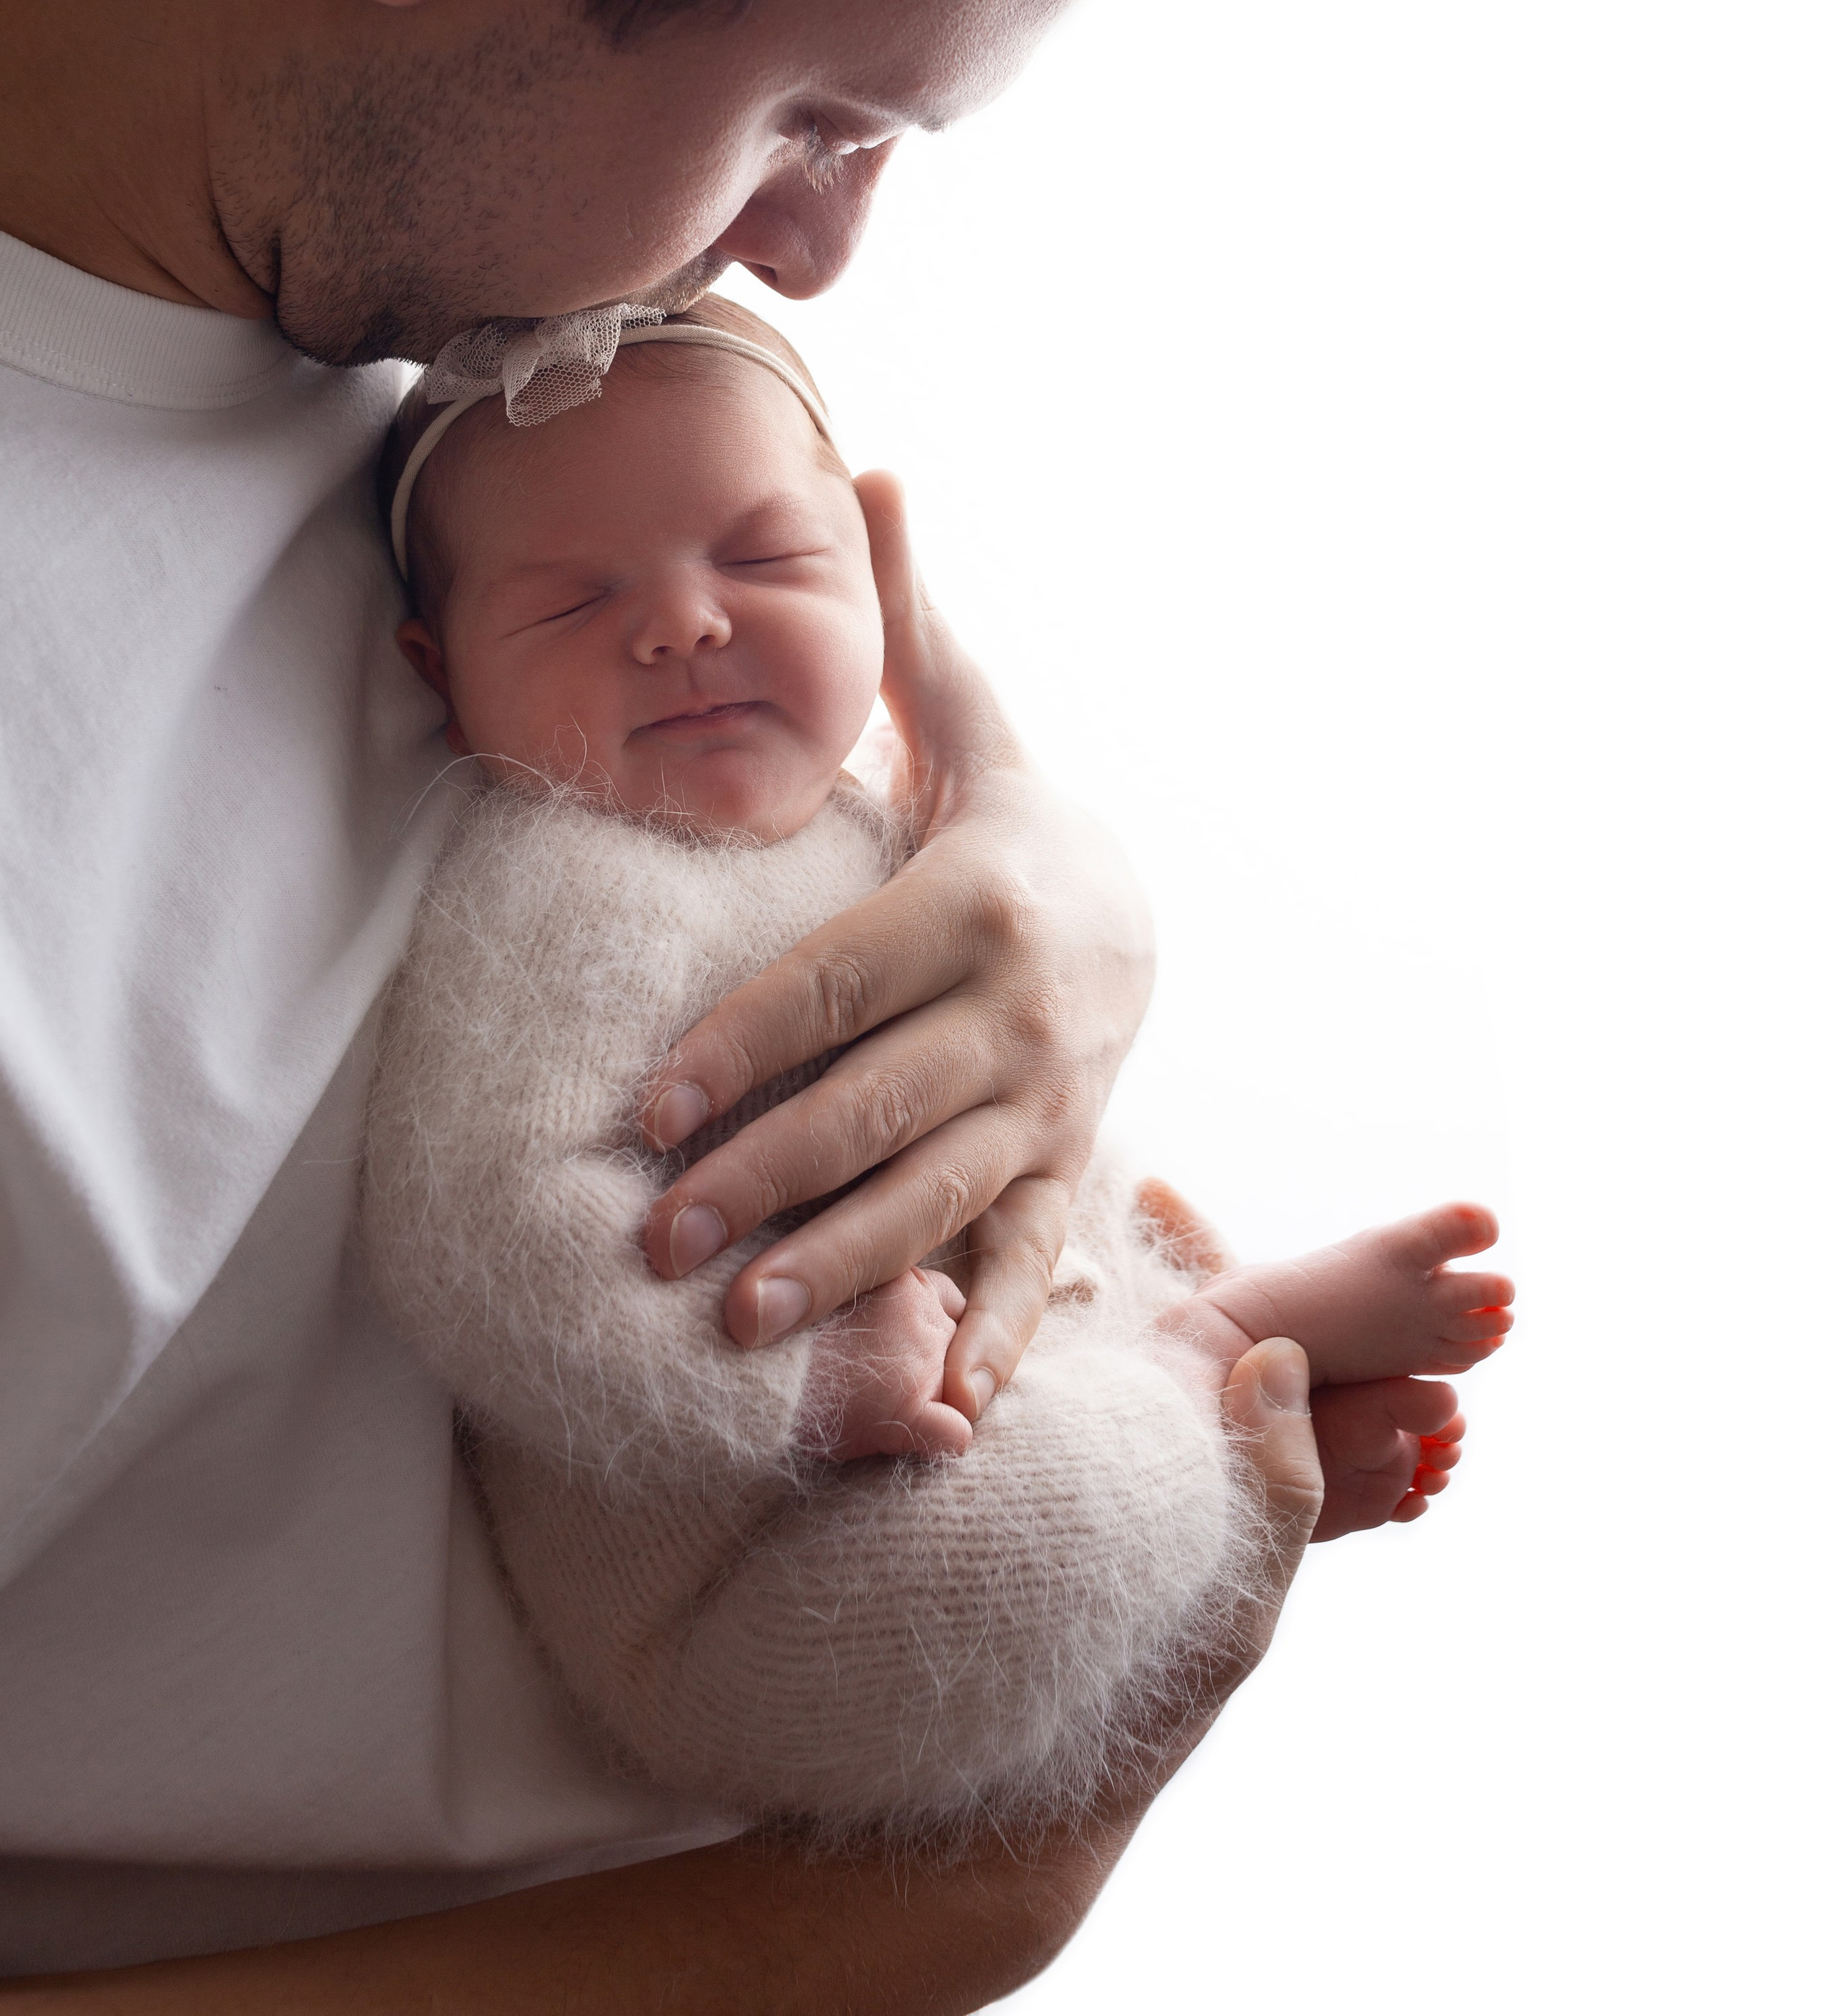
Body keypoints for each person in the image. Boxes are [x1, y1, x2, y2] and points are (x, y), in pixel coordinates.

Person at [0, 0, 1382, 1998]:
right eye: (823, 114)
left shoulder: (371, 241)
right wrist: (843, 1941)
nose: (814, 254)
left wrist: (1042, 881)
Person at [362, 294, 1511, 1840]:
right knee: (1049, 1545)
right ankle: (1211, 1379)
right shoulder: (567, 888)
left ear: (874, 579)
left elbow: (1024, 1118)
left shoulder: (901, 820)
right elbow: (488, 1230)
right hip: (748, 1585)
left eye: (766, 559)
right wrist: (803, 1378)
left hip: (988, 1398)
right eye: (573, 603)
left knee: (1053, 1150)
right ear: (439, 673)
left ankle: (1190, 1371)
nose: (686, 623)